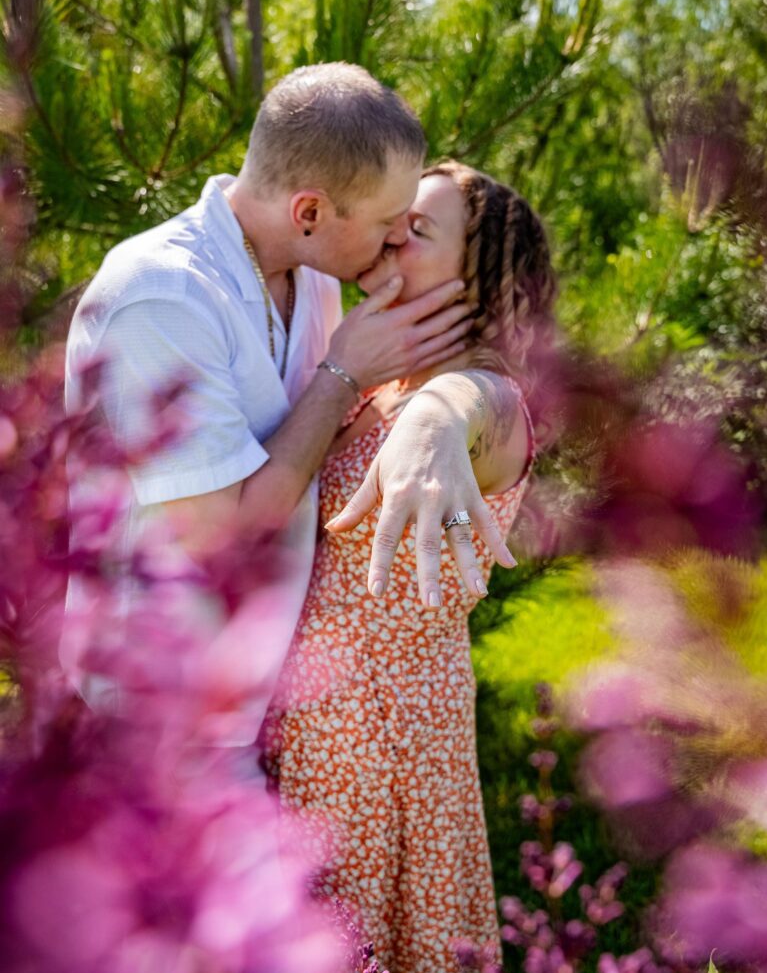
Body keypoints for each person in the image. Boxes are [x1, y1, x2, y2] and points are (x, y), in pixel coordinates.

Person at [63, 63, 516, 738]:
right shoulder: (162, 295)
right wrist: (342, 372)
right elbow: (229, 530)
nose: (395, 239)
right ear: (309, 212)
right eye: (388, 221)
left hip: (257, 716)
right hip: (149, 725)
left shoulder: (315, 282)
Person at [264, 160, 556, 973]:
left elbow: (469, 407)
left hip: (386, 759)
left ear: (477, 276)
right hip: (309, 735)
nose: (392, 234)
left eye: (418, 229)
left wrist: (433, 421)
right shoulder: (372, 381)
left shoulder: (492, 401)